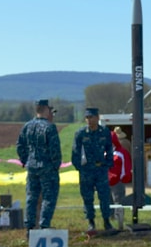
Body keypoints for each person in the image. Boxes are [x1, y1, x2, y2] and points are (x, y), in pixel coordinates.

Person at [16, 99, 62, 236]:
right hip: (47, 167)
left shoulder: (27, 126)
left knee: (32, 196)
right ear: (46, 109)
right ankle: (44, 225)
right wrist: (55, 165)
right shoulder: (50, 127)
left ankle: (29, 227)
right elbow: (55, 150)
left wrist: (26, 160)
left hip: (32, 167)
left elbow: (20, 146)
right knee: (49, 197)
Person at [71, 107, 114, 232]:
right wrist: (79, 167)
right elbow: (75, 152)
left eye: (92, 117)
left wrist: (108, 164)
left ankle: (107, 221)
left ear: (97, 117)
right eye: (87, 117)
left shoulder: (105, 132)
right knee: (87, 197)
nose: (89, 120)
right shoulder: (81, 133)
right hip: (86, 171)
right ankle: (91, 222)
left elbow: (109, 149)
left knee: (104, 196)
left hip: (101, 170)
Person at [109, 130, 132, 226]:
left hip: (117, 182)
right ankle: (110, 218)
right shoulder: (105, 151)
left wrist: (123, 178)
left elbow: (126, 165)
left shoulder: (121, 152)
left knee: (118, 200)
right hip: (106, 181)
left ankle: (119, 219)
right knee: (108, 200)